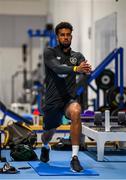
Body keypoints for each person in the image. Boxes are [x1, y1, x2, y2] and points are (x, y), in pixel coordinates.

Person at [40, 22, 92, 172]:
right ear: (57, 37)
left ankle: (74, 158)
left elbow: (85, 68)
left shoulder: (77, 56)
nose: (65, 37)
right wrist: (76, 69)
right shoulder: (49, 52)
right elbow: (57, 68)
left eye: (68, 35)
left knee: (76, 110)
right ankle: (45, 147)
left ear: (71, 36)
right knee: (48, 134)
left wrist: (86, 69)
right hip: (52, 101)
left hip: (68, 100)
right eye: (62, 35)